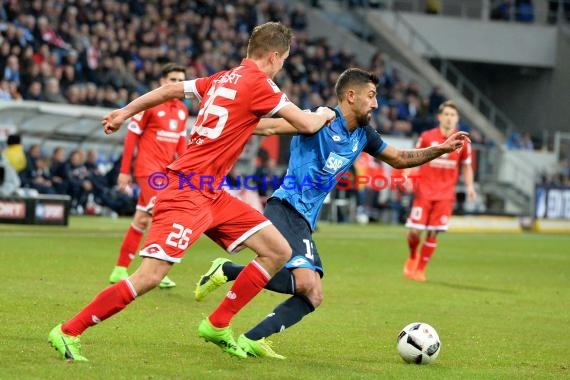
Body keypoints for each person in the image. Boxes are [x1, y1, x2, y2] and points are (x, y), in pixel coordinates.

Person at [47, 21, 336, 362]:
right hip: (186, 190)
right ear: (274, 56)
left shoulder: (221, 78)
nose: (283, 65)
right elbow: (305, 124)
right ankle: (68, 330)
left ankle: (218, 323)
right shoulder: (261, 83)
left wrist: (126, 110)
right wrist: (323, 113)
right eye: (285, 59)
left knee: (276, 250)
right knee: (150, 276)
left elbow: (170, 91)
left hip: (212, 191)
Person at [193, 68, 471, 358]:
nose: (376, 104)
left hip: (304, 221)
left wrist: (440, 149)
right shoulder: (316, 120)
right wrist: (219, 119)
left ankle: (247, 325)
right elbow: (267, 127)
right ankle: (230, 302)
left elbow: (399, 158)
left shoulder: (364, 135)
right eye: (371, 96)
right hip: (286, 208)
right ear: (351, 96)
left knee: (313, 294)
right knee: (305, 284)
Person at [107, 63, 188, 289]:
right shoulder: (149, 104)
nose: (176, 84)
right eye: (172, 79)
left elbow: (181, 145)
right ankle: (155, 272)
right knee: (163, 215)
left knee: (142, 219)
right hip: (147, 170)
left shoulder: (182, 110)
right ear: (162, 82)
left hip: (167, 171)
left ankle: (120, 269)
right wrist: (124, 172)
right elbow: (131, 139)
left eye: (180, 80)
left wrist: (184, 172)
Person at [403, 100, 476, 282]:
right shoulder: (427, 136)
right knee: (414, 232)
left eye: (453, 115)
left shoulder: (463, 142)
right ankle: (413, 255)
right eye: (447, 114)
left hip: (445, 195)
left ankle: (420, 270)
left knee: (434, 232)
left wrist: (470, 187)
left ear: (457, 119)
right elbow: (414, 157)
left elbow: (466, 167)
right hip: (424, 193)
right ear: (439, 117)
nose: (450, 118)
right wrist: (406, 176)